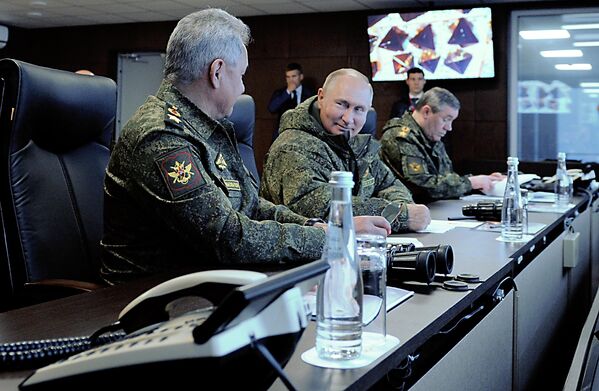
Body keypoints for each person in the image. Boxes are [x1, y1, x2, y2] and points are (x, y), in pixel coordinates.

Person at [100, 9, 390, 285]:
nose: (242, 88)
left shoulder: (211, 127)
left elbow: (252, 205)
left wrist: (319, 228)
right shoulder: (161, 137)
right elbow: (228, 238)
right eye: (241, 76)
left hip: (207, 281)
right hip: (147, 301)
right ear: (217, 72)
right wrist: (333, 239)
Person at [260, 68, 431, 233]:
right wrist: (401, 215)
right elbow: (319, 208)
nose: (348, 119)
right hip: (310, 260)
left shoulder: (354, 142)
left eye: (359, 109)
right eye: (342, 104)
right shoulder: (292, 147)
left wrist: (401, 206)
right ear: (321, 97)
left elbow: (389, 184)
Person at [380, 87, 504, 202]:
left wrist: (482, 182)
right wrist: (470, 183)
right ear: (426, 112)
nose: (449, 128)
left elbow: (445, 177)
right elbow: (422, 186)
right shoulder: (400, 136)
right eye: (446, 119)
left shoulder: (430, 135)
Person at [267, 62, 314, 139]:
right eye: (288, 77)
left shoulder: (310, 93)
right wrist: (287, 92)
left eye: (294, 76)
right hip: (282, 135)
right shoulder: (280, 93)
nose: (291, 80)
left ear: (301, 77)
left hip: (303, 135)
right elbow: (272, 108)